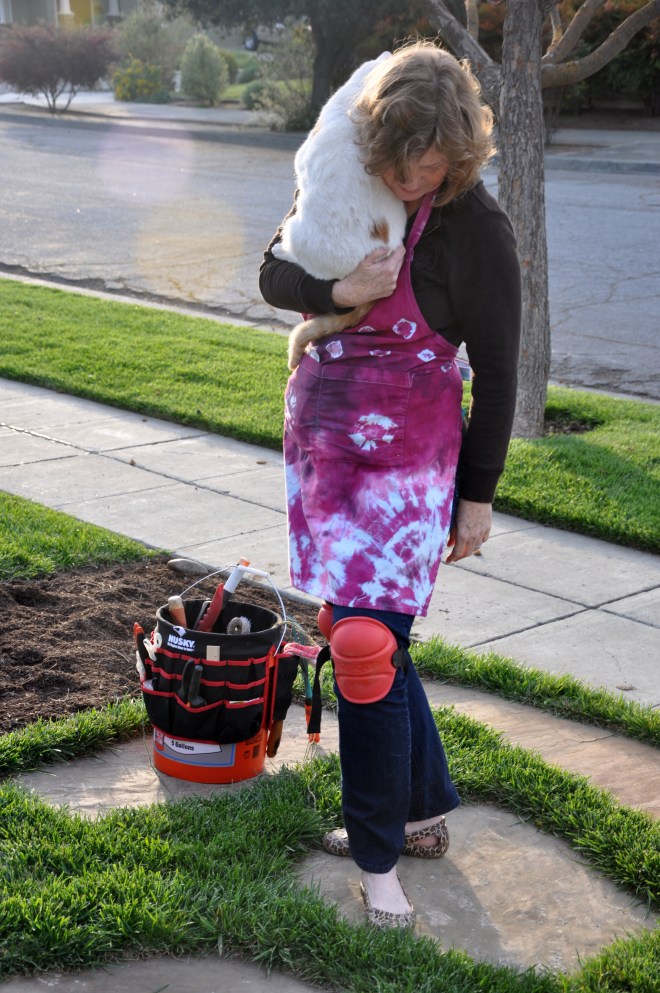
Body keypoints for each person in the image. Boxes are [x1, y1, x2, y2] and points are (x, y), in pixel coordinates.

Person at [259, 40, 521, 929]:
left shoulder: (476, 229)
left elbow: (502, 369)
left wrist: (477, 495)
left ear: (460, 153)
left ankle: (377, 865)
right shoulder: (349, 179)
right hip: (326, 453)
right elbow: (272, 272)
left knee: (366, 648)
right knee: (358, 630)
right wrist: (339, 282)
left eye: (432, 166)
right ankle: (423, 810)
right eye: (398, 163)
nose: (411, 182)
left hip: (410, 469)